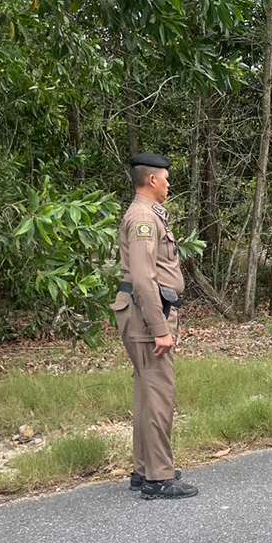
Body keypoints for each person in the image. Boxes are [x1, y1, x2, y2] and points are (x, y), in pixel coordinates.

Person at [110, 153, 197, 499]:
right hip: (147, 315)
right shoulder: (144, 218)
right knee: (159, 394)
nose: (169, 184)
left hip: (144, 312)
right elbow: (144, 278)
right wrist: (160, 328)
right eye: (166, 179)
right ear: (152, 181)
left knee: (148, 393)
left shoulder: (146, 214)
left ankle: (145, 468)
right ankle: (158, 477)